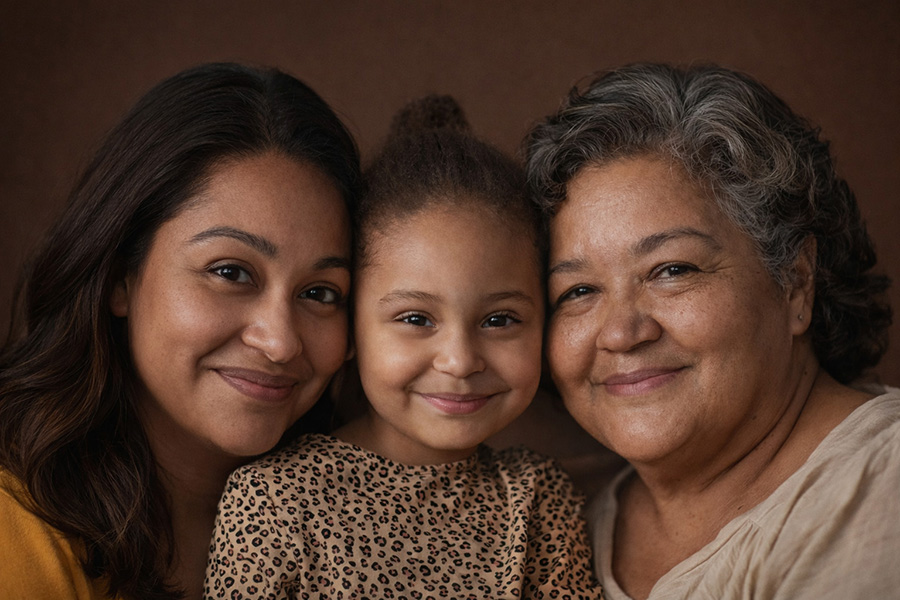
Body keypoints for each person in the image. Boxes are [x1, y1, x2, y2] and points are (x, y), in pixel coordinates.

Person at [205, 95, 604, 599]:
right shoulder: (275, 500)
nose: (459, 360)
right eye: (415, 318)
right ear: (351, 330)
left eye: (500, 320)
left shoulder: (539, 499)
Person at [524, 63, 897, 600]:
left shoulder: (881, 482)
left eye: (672, 270)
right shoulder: (557, 517)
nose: (622, 333)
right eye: (577, 292)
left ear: (794, 282)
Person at [0, 62, 361, 599]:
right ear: (121, 275)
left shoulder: (351, 523)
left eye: (320, 293)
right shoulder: (16, 538)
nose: (281, 341)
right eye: (230, 272)